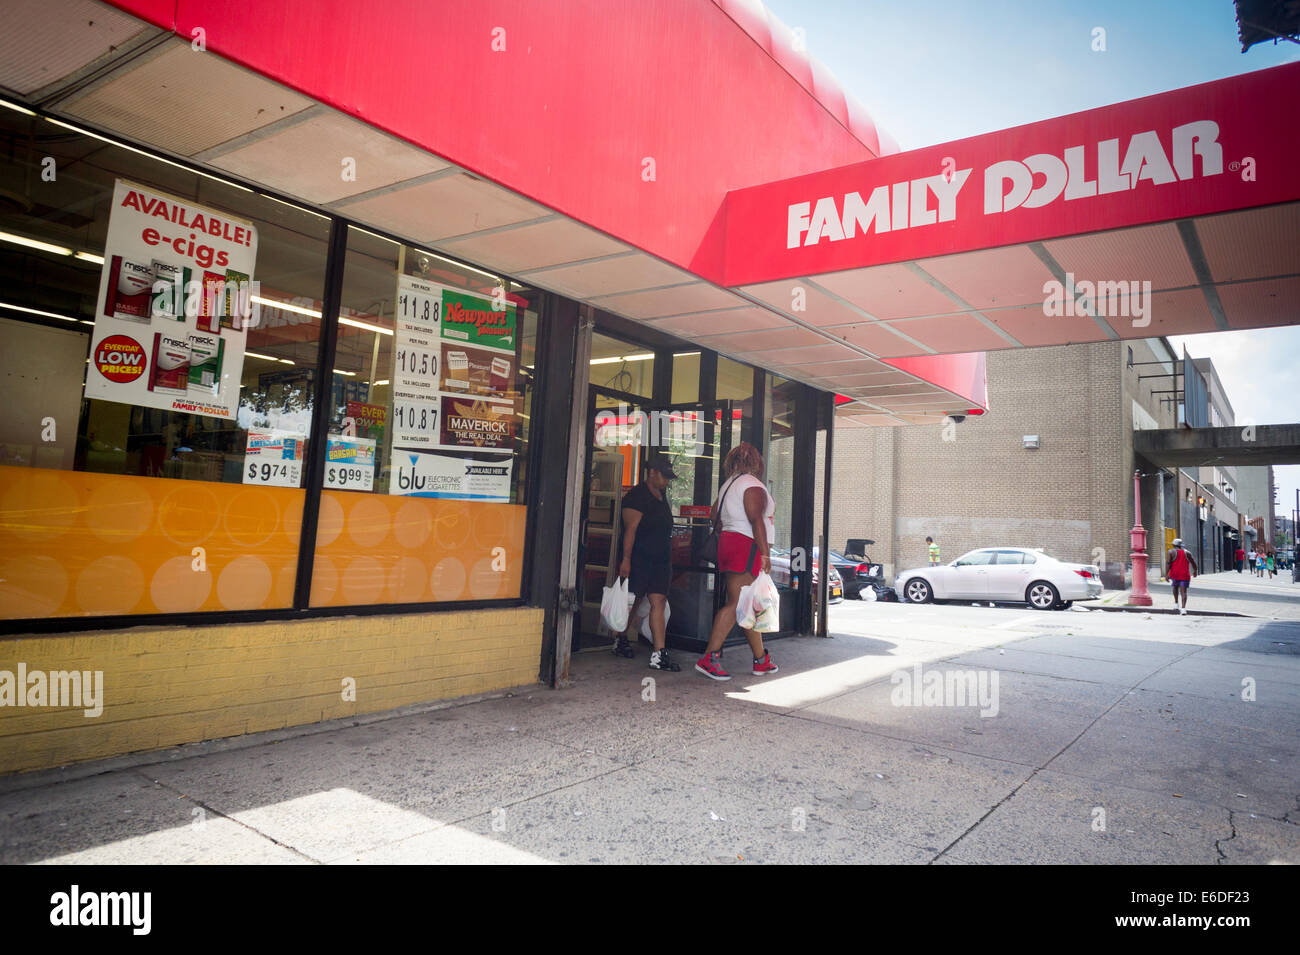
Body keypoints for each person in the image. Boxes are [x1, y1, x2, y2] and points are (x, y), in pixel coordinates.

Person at [697, 442, 778, 681]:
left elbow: (715, 515)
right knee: (737, 603)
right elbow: (757, 521)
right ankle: (709, 658)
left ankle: (761, 659)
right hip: (747, 547)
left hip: (732, 544)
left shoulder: (728, 485)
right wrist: (765, 554)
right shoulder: (752, 485)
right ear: (756, 462)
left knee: (748, 603)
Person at [615, 454, 680, 671]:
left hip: (661, 559)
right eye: (664, 476)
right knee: (634, 601)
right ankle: (620, 638)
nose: (667, 481)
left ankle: (659, 654)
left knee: (658, 602)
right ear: (652, 473)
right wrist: (625, 560)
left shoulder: (661, 496)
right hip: (640, 558)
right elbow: (630, 531)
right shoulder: (636, 497)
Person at [1166, 537, 1198, 615]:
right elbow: (1193, 562)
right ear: (1181, 545)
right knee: (1184, 592)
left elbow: (1168, 563)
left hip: (1175, 574)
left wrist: (1166, 574)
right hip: (1185, 575)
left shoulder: (1170, 552)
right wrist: (1195, 571)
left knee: (1175, 588)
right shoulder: (1187, 552)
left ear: (1173, 545)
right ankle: (1183, 609)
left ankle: (1176, 604)